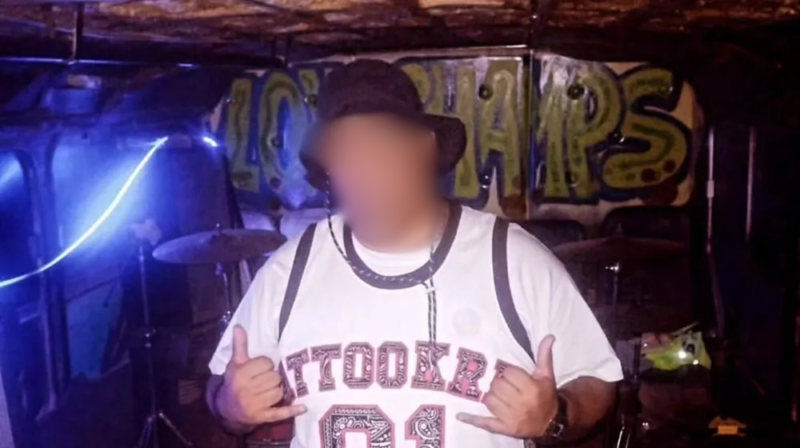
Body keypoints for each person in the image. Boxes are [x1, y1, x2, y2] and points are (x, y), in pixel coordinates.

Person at [206, 59, 622, 447]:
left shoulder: (514, 260)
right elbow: (220, 389)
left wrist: (554, 416)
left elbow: (596, 382)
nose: (367, 168)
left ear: (423, 148)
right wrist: (231, 406)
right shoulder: (291, 267)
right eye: (346, 152)